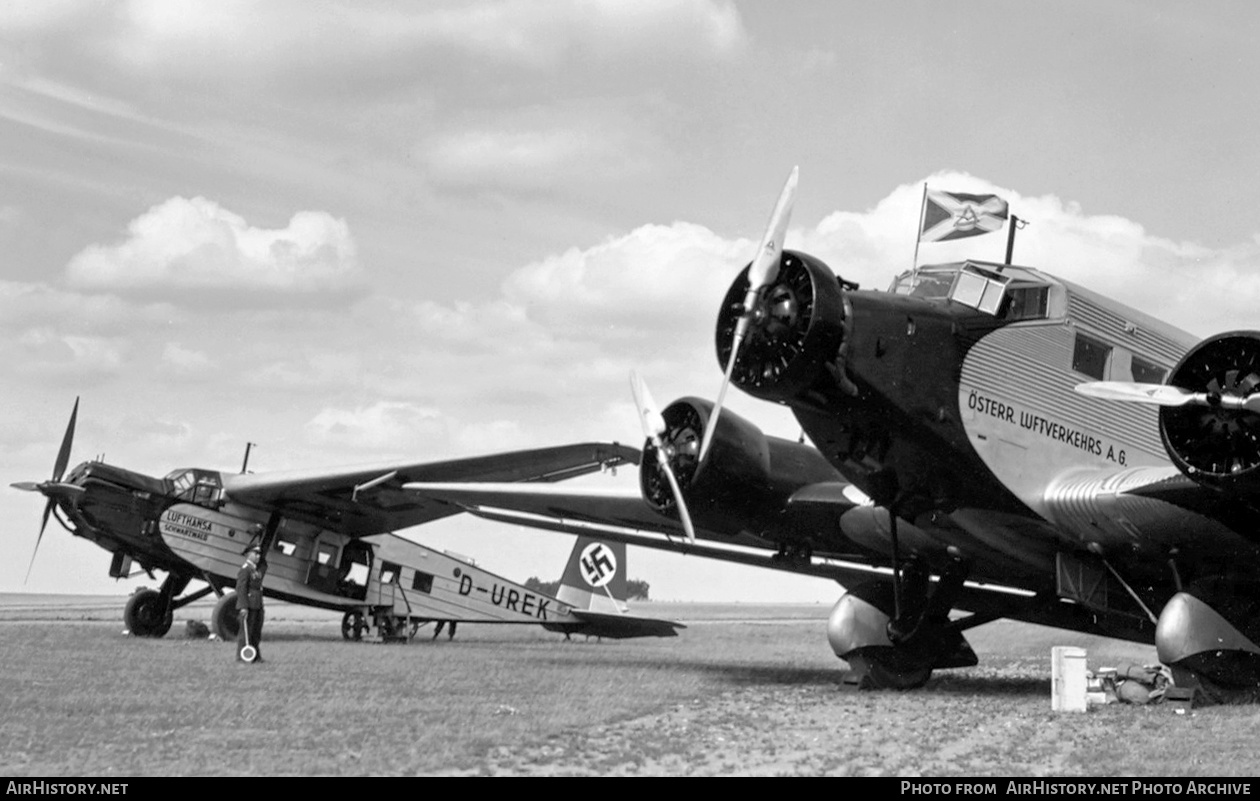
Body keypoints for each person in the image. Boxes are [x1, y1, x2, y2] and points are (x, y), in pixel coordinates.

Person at [236, 545, 267, 662]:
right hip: (249, 604)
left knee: (255, 631)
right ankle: (242, 656)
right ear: (248, 554)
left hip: (257, 604)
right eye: (256, 553)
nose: (258, 556)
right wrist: (243, 606)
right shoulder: (245, 569)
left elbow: (264, 566)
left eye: (259, 554)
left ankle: (255, 655)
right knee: (246, 632)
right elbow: (241, 588)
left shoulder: (255, 569)